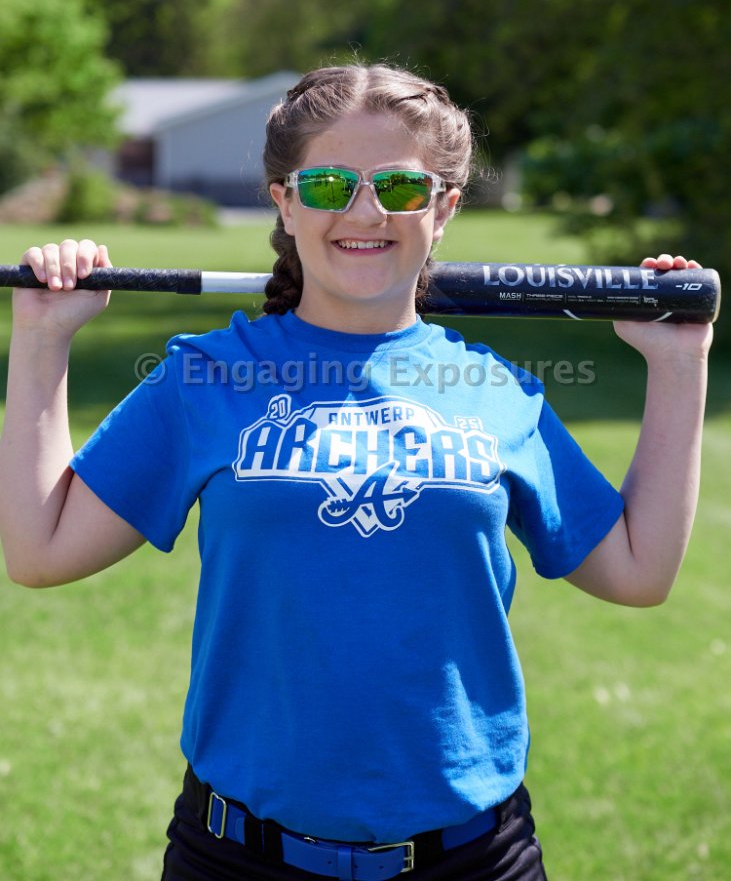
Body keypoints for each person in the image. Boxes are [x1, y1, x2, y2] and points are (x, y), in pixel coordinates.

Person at [0, 63, 712, 881]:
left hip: (469, 858)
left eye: (401, 187)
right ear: (285, 202)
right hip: (241, 856)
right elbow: (40, 550)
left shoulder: (496, 391)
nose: (365, 212)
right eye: (330, 184)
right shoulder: (206, 376)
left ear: (443, 208)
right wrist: (44, 339)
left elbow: (637, 571)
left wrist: (677, 365)